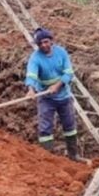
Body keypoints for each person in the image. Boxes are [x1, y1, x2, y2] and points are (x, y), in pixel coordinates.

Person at [25, 28, 80, 161]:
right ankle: (48, 160)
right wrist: (31, 89)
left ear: (51, 41)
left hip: (64, 96)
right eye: (40, 43)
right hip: (45, 98)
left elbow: (68, 73)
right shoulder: (35, 57)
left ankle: (74, 155)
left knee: (69, 125)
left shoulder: (61, 52)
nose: (44, 45)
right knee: (45, 129)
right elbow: (31, 74)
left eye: (46, 42)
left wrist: (57, 85)